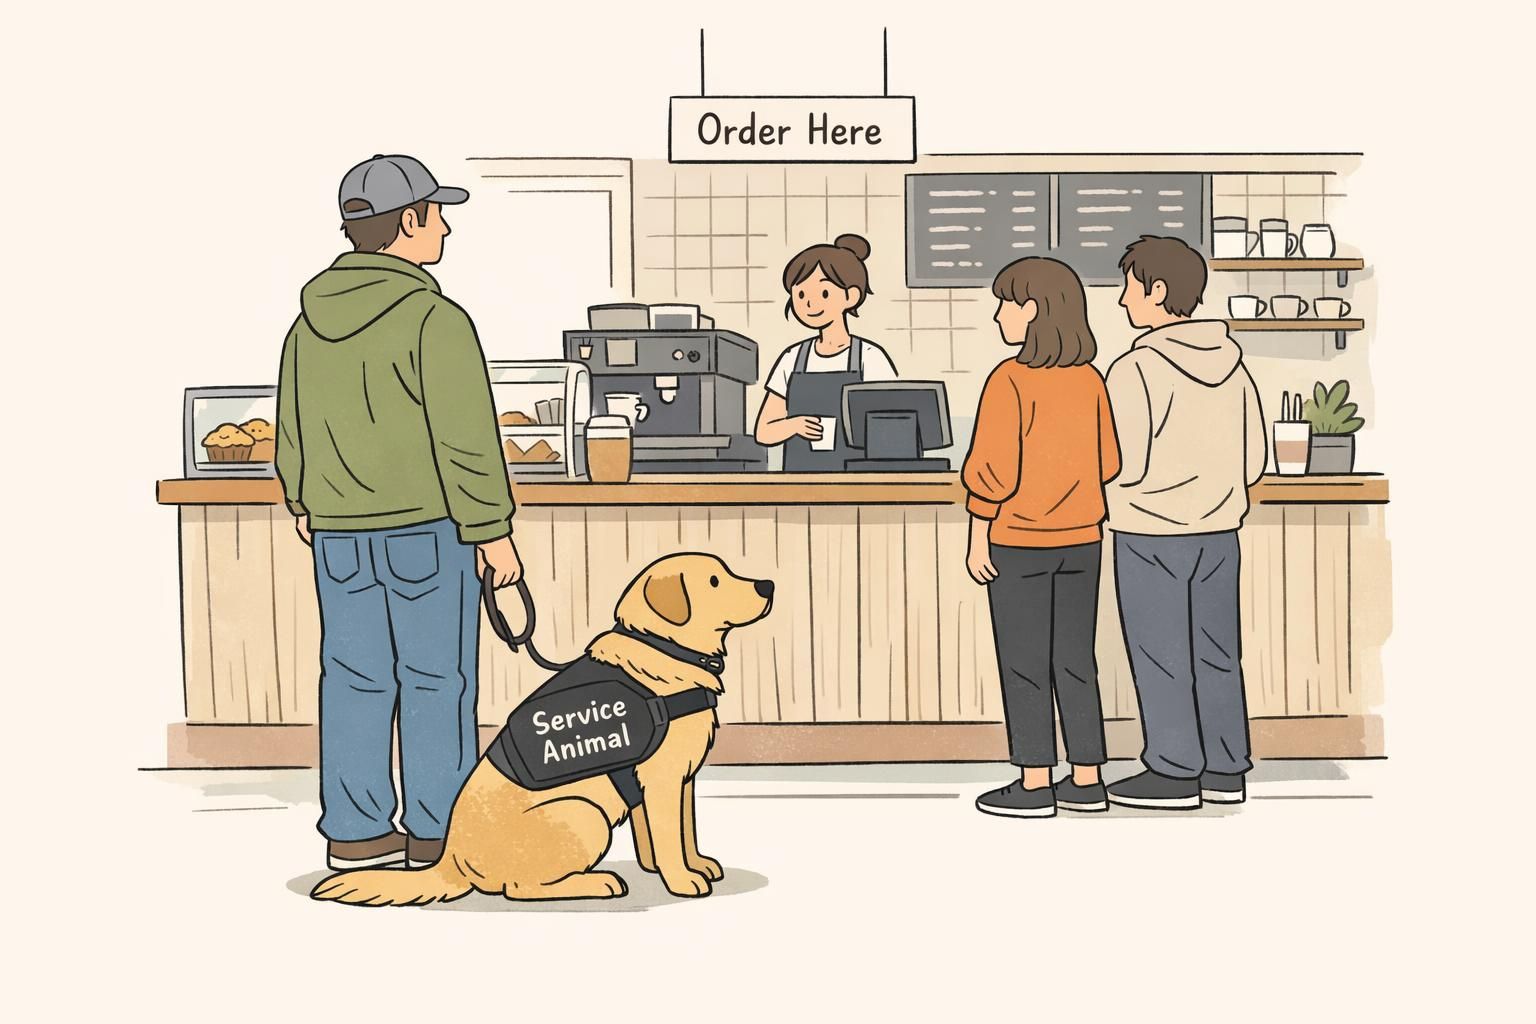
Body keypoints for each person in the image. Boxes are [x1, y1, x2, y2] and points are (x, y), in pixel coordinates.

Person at [275, 154, 525, 870]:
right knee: (436, 679)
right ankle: (438, 832)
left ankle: (354, 833)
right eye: (435, 212)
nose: (444, 226)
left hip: (338, 538)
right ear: (406, 222)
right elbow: (467, 439)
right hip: (427, 532)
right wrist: (492, 532)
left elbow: (291, 427)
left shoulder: (306, 326)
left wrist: (303, 501)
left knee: (353, 679)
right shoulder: (434, 318)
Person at [1102, 235, 1268, 811]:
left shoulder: (1135, 368)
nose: (1124, 302)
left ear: (1157, 292)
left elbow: (1122, 464)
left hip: (1150, 532)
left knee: (1161, 654)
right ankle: (1225, 770)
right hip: (1220, 533)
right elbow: (1255, 461)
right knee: (1217, 653)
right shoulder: (1235, 368)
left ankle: (1173, 772)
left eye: (1129, 289)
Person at [962, 258, 1121, 819]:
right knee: (1076, 659)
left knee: (1025, 662)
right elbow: (1110, 462)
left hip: (1018, 542)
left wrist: (978, 535)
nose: (999, 314)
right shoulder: (1091, 380)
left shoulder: (1008, 379)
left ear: (1030, 311)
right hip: (1083, 541)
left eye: (1006, 303)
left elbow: (992, 472)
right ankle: (1088, 778)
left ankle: (1034, 783)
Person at [753, 234, 898, 471]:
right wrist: (795, 425)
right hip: (799, 481)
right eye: (800, 295)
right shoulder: (792, 358)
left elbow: (893, 425)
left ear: (851, 296)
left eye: (823, 294)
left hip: (859, 481)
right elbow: (764, 431)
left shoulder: (869, 357)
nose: (809, 304)